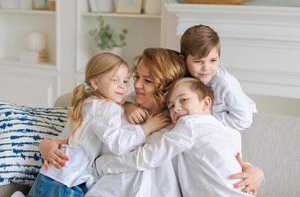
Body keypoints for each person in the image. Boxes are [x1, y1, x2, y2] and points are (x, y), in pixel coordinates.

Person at [40, 48, 264, 196]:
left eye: (147, 80)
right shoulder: (115, 108)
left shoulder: (183, 121)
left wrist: (255, 171)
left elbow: (218, 147)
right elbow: (80, 138)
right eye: (136, 77)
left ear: (165, 87)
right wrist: (47, 144)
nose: (136, 85)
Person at [26, 52, 169, 197]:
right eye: (115, 80)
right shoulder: (105, 108)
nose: (122, 87)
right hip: (67, 180)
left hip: (55, 174)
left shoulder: (89, 103)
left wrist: (127, 105)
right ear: (95, 83)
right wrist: (147, 128)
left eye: (125, 81)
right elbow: (118, 145)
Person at [95, 77, 254, 196]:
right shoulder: (230, 133)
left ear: (206, 103)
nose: (176, 108)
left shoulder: (190, 125)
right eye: (170, 106)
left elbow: (149, 157)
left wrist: (104, 164)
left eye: (183, 100)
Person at [180, 24, 257, 131]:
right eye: (198, 61)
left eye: (213, 60)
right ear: (184, 60)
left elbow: (243, 120)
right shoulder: (185, 80)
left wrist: (205, 117)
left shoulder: (225, 84)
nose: (206, 68)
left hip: (239, 123)